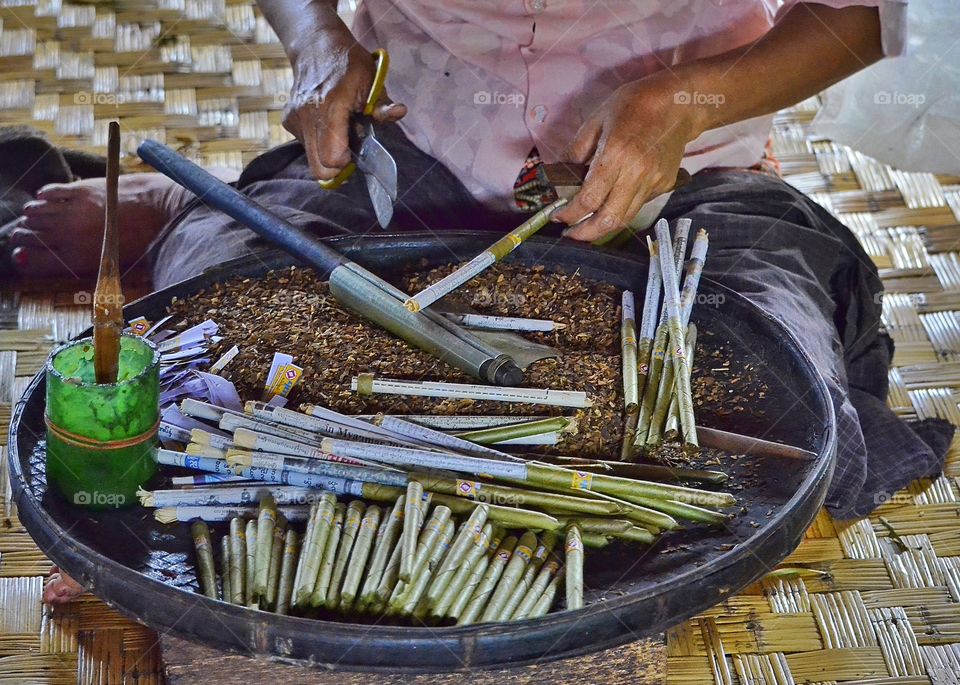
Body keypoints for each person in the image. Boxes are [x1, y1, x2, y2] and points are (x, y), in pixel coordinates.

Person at [9, 1, 951, 526]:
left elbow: (877, 10)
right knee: (230, 331)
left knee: (763, 392)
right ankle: (197, 205)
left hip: (689, 179)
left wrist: (689, 100)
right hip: (409, 160)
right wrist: (317, 42)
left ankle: (198, 206)